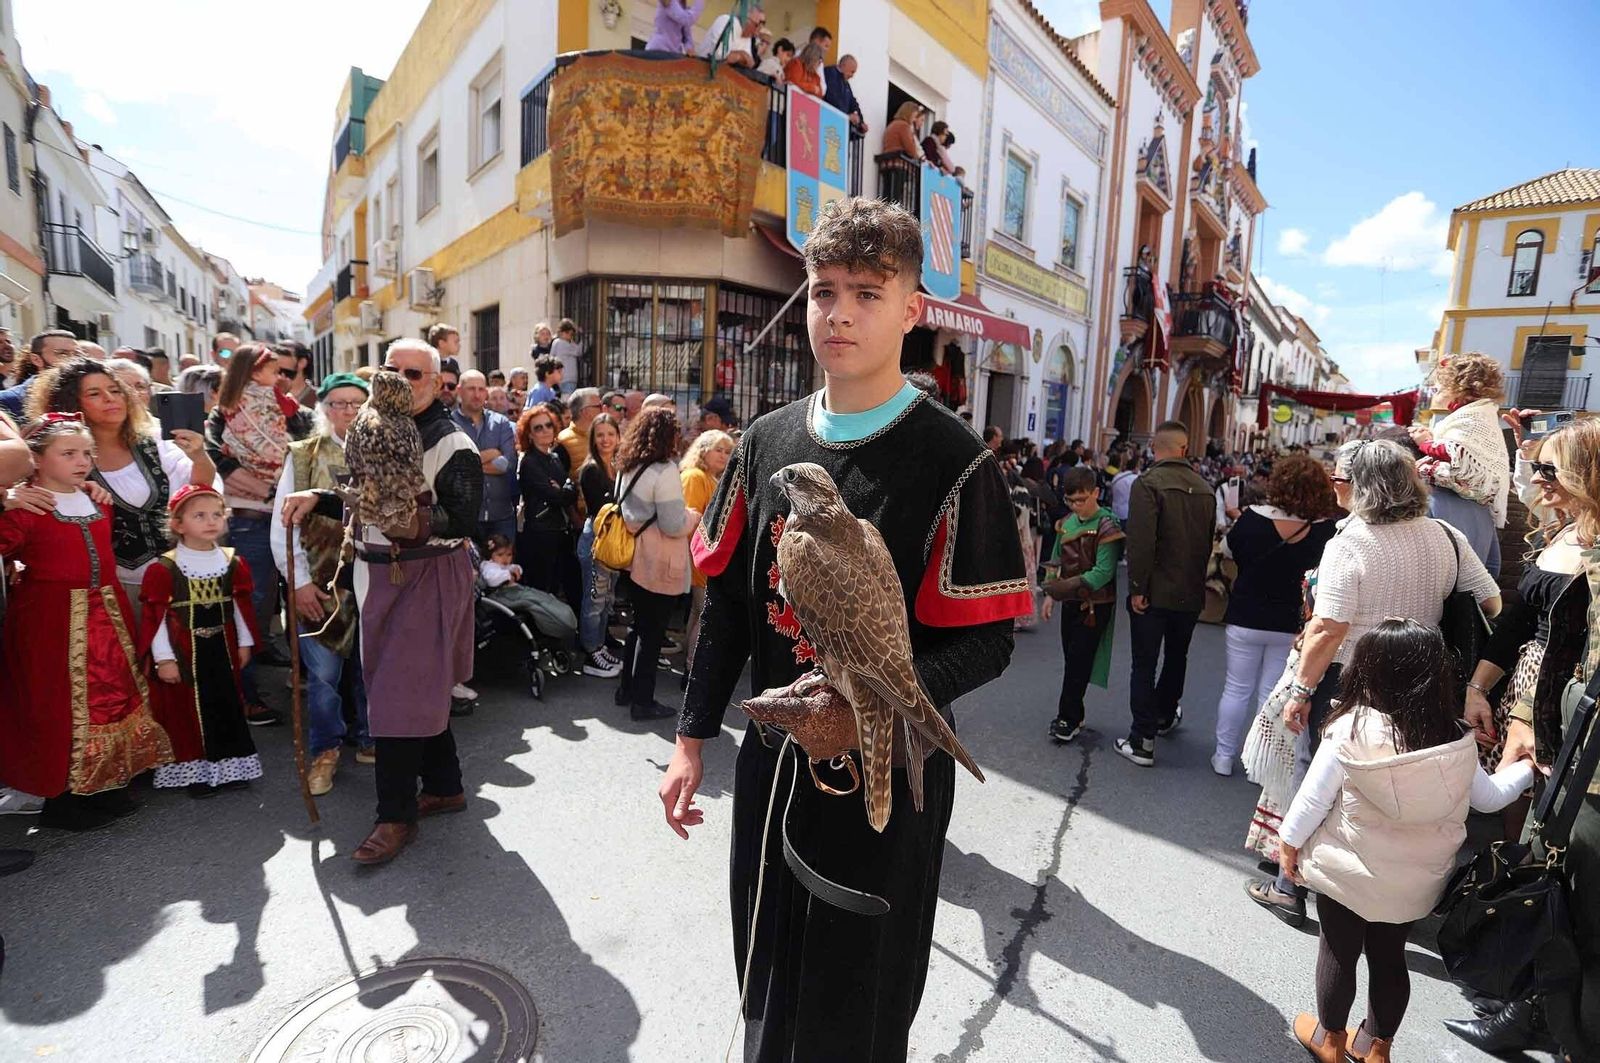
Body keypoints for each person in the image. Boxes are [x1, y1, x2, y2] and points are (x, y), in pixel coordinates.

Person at [658, 197, 1029, 1062]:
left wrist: (873, 702)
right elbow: (732, 613)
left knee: (855, 1004)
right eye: (825, 290)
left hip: (884, 774)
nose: (841, 311)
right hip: (771, 768)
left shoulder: (955, 460)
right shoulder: (762, 441)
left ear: (912, 309)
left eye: (868, 291)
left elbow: (989, 640)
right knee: (766, 978)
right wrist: (689, 738)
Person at [1248, 439, 1502, 927]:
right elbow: (1489, 603)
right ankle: (1386, 883)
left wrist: (1301, 689)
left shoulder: (1352, 542)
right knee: (1397, 774)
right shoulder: (1445, 535)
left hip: (1352, 677)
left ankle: (1290, 884)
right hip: (1424, 676)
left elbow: (1330, 626)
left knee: (1319, 772)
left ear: (1362, 487)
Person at [1277, 619, 1537, 1063]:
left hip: (1348, 869)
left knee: (1339, 950)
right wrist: (1528, 769)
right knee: (1389, 956)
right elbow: (1490, 799)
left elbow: (1311, 802)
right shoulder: (1454, 739)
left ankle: (1330, 1040)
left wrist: (1288, 845)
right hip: (1415, 882)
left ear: (1368, 669)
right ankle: (1377, 1049)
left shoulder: (1351, 728)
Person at [280, 337, 483, 866]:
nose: (396, 379)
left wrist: (410, 519)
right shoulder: (375, 428)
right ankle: (444, 785)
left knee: (395, 700)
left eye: (412, 374)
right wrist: (319, 497)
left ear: (437, 384)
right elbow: (363, 500)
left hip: (425, 576)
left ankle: (394, 817)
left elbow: (461, 521)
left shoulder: (451, 442)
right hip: (379, 575)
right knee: (415, 689)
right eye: (388, 369)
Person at [1446, 415, 1600, 1060]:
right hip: (1533, 704)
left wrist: (1534, 720)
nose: (1537, 480)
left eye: (1550, 469)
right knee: (1538, 849)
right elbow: (1515, 623)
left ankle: (1559, 1018)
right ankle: (1531, 995)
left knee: (1567, 865)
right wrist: (1481, 689)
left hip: (1570, 720)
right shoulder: (1567, 532)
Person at [0, 414, 173, 832]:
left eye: (86, 453)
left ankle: (105, 785)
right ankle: (63, 797)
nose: (82, 462)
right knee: (57, 706)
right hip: (50, 621)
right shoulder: (27, 505)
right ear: (36, 460)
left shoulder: (97, 499)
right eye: (68, 454)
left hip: (106, 615)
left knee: (110, 699)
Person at [29, 358, 219, 627]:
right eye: (94, 394)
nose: (110, 399)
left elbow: (196, 491)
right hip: (108, 590)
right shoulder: (58, 455)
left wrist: (199, 455)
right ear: (72, 403)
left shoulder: (152, 441)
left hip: (172, 575)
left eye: (115, 390)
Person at [270, 372, 374, 798]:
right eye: (338, 403)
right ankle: (325, 750)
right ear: (324, 408)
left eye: (356, 403)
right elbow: (283, 527)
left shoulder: (384, 454)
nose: (347, 411)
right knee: (325, 676)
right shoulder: (302, 454)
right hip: (318, 582)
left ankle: (370, 738)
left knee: (371, 668)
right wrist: (296, 584)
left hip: (373, 580)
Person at [1212, 455, 1341, 776]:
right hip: (1292, 624)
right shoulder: (1327, 531)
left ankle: (1223, 757)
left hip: (1245, 615)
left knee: (1235, 688)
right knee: (1271, 695)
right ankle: (1260, 767)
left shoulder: (1252, 519)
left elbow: (1226, 551)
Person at [139, 484, 262, 797]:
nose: (212, 521)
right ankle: (195, 773)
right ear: (178, 525)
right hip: (185, 652)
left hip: (222, 647)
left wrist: (245, 643)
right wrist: (164, 658)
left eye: (217, 515)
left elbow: (239, 608)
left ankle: (230, 767)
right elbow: (157, 619)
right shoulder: (164, 568)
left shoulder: (232, 562)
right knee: (188, 713)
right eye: (200, 515)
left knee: (226, 707)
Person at [1119, 420, 1216, 767]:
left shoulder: (1148, 483)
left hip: (1155, 591)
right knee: (1178, 658)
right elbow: (1206, 545)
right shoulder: (1205, 489)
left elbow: (1141, 542)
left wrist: (1136, 588)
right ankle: (1162, 715)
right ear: (1184, 449)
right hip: (1188, 592)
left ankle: (1142, 737)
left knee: (1143, 663)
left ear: (1154, 449)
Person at [610, 405, 695, 719]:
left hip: (636, 554)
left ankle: (626, 690)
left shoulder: (628, 464)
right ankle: (642, 702)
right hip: (660, 557)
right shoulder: (665, 470)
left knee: (638, 626)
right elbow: (674, 524)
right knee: (653, 632)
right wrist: (694, 517)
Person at [1041, 465, 1125, 743]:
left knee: (1078, 661)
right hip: (1071, 602)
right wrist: (1052, 594)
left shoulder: (1107, 525)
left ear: (1096, 493)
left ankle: (1067, 717)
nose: (1076, 506)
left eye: (1081, 499)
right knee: (1072, 658)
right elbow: (1055, 561)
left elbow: (1103, 572)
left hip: (1094, 605)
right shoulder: (1066, 523)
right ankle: (1075, 713)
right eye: (1071, 500)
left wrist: (1066, 587)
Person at [1410, 352, 1511, 576]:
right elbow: (1492, 566)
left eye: (1439, 386)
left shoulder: (1472, 418)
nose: (1434, 391)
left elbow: (1454, 451)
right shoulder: (1478, 416)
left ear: (1458, 388)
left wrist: (1425, 442)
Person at [516, 403, 582, 610]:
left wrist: (566, 488)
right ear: (529, 434)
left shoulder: (554, 458)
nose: (544, 430)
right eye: (538, 428)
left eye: (548, 426)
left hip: (559, 531)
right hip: (539, 534)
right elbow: (557, 496)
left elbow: (568, 491)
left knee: (561, 587)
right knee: (541, 590)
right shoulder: (529, 462)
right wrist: (565, 488)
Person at [679, 428, 733, 679]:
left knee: (697, 611)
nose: (723, 456)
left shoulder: (710, 477)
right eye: (718, 450)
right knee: (704, 612)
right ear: (703, 450)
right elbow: (690, 520)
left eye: (727, 451)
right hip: (699, 557)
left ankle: (688, 661)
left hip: (705, 556)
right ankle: (693, 667)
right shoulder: (695, 476)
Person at [576, 412, 625, 678]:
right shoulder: (590, 470)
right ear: (593, 439)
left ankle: (600, 645)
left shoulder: (620, 466)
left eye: (610, 434)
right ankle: (590, 652)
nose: (606, 439)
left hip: (613, 543)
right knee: (594, 600)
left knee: (606, 600)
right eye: (600, 435)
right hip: (596, 541)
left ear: (618, 436)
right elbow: (603, 509)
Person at [451, 369, 519, 544]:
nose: (476, 394)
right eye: (471, 389)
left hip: (501, 516)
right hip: (466, 519)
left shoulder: (501, 423)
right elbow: (453, 467)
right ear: (459, 391)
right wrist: (492, 454)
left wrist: (469, 465)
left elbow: (508, 463)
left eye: (481, 389)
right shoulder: (449, 424)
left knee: (504, 571)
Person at [0, 329, 78, 420]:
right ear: (36, 360)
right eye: (62, 353)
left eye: (76, 354)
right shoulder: (9, 401)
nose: (72, 360)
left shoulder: (89, 394)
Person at [558, 387, 602, 487]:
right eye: (598, 406)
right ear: (586, 412)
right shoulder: (564, 441)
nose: (603, 409)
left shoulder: (602, 436)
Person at [698, 4, 763, 67]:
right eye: (756, 25)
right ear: (745, 19)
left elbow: (750, 63)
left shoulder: (747, 35)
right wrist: (742, 55)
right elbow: (718, 55)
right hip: (701, 65)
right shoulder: (727, 21)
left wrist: (740, 55)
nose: (757, 32)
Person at [822, 55, 865, 131]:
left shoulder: (846, 84)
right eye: (852, 72)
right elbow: (831, 97)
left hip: (837, 127)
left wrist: (861, 121)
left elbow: (853, 103)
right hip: (826, 122)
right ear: (843, 65)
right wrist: (846, 116)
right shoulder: (830, 73)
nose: (852, 76)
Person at [551, 318, 582, 395]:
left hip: (562, 377)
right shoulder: (563, 343)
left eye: (571, 334)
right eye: (568, 333)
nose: (569, 336)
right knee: (568, 400)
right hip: (568, 378)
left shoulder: (556, 342)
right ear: (561, 332)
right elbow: (578, 351)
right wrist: (583, 338)